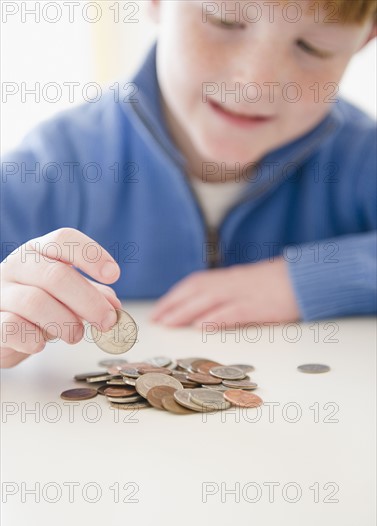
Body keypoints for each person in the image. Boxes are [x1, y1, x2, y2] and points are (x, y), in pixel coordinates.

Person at [1, 0, 376, 369]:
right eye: (223, 20)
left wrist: (303, 280)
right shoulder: (55, 164)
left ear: (364, 40)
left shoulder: (362, 156)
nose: (254, 86)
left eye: (313, 47)